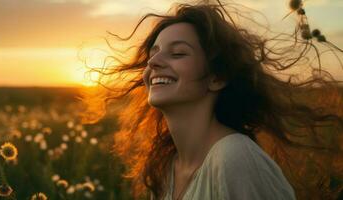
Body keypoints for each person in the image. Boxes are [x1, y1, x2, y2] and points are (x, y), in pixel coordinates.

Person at [81, 0, 343, 199]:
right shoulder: (166, 168)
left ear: (217, 77)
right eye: (154, 52)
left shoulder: (234, 157)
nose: (153, 62)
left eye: (178, 54)